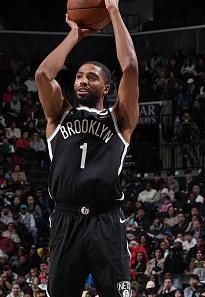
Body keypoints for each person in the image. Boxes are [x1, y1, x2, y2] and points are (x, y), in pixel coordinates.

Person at [35, 0, 139, 295]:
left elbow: (130, 67)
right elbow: (43, 75)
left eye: (91, 77)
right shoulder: (58, 114)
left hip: (106, 219)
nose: (82, 80)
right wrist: (75, 35)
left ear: (106, 88)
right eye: (79, 75)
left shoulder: (119, 119)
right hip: (66, 218)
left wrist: (114, 12)